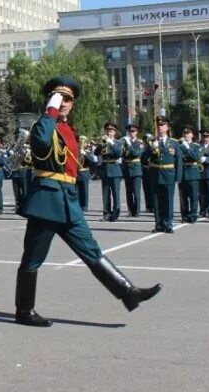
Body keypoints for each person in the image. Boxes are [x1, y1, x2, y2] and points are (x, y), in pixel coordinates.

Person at [14, 77, 161, 327]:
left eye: (68, 99)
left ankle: (127, 292)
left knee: (90, 249)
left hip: (68, 200)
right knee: (33, 258)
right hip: (47, 200)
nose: (63, 103)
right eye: (58, 97)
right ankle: (24, 310)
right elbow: (39, 144)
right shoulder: (44, 124)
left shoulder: (68, 129)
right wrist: (51, 109)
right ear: (50, 99)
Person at [144, 115, 182, 233]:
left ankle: (168, 224)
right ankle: (158, 224)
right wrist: (150, 149)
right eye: (158, 125)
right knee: (156, 201)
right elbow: (143, 159)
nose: (160, 127)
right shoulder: (152, 142)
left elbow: (178, 160)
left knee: (168, 201)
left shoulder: (174, 143)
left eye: (162, 125)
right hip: (155, 174)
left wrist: (178, 176)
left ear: (167, 127)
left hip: (169, 174)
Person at [95, 123, 124, 222]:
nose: (108, 132)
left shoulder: (118, 142)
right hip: (105, 169)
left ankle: (115, 214)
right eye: (107, 130)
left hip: (115, 169)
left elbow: (118, 153)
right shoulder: (103, 142)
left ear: (115, 132)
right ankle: (106, 214)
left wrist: (110, 142)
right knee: (105, 194)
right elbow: (96, 153)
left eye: (111, 131)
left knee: (116, 194)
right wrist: (100, 145)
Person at [178, 125, 203, 223]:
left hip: (193, 173)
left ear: (192, 135)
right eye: (185, 133)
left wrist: (187, 148)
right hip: (183, 173)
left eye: (188, 133)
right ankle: (184, 216)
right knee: (183, 198)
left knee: (193, 196)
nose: (186, 135)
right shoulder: (179, 146)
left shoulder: (197, 146)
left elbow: (196, 157)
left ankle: (193, 215)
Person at [122, 122, 145, 217]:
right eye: (129, 131)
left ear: (137, 132)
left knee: (136, 192)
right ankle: (131, 211)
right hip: (127, 168)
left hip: (136, 170)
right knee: (128, 192)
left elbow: (136, 153)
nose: (131, 133)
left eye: (133, 131)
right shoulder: (124, 142)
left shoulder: (140, 143)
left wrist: (129, 145)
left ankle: (137, 211)